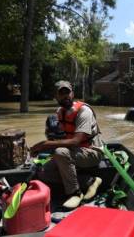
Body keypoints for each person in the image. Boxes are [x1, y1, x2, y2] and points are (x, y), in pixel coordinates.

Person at [31, 80, 103, 209]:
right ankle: (90, 181)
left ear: (72, 93)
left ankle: (75, 193)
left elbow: (76, 141)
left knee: (60, 152)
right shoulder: (59, 112)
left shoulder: (84, 111)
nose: (66, 96)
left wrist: (45, 144)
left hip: (92, 152)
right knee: (42, 172)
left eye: (67, 92)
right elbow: (58, 138)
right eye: (61, 93)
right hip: (73, 151)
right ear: (56, 96)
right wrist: (44, 143)